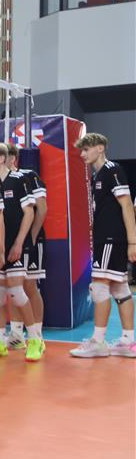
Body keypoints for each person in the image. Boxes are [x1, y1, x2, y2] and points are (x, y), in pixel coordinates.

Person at [70, 133, 136, 357]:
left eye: (86, 149)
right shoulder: (97, 176)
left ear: (100, 148)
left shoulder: (112, 169)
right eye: (81, 150)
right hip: (105, 239)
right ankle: (128, 342)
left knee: (99, 287)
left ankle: (98, 342)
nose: (82, 154)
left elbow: (127, 205)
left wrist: (133, 241)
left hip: (110, 239)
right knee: (119, 288)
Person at [0, 143, 37, 361]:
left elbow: (29, 213)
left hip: (16, 245)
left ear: (2, 159)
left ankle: (35, 340)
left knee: (17, 292)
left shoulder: (18, 179)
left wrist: (19, 243)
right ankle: (0, 342)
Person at [6, 144, 47, 361]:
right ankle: (16, 334)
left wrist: (32, 236)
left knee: (30, 286)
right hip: (11, 240)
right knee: (14, 287)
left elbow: (42, 208)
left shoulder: (29, 176)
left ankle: (37, 335)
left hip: (31, 239)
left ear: (12, 158)